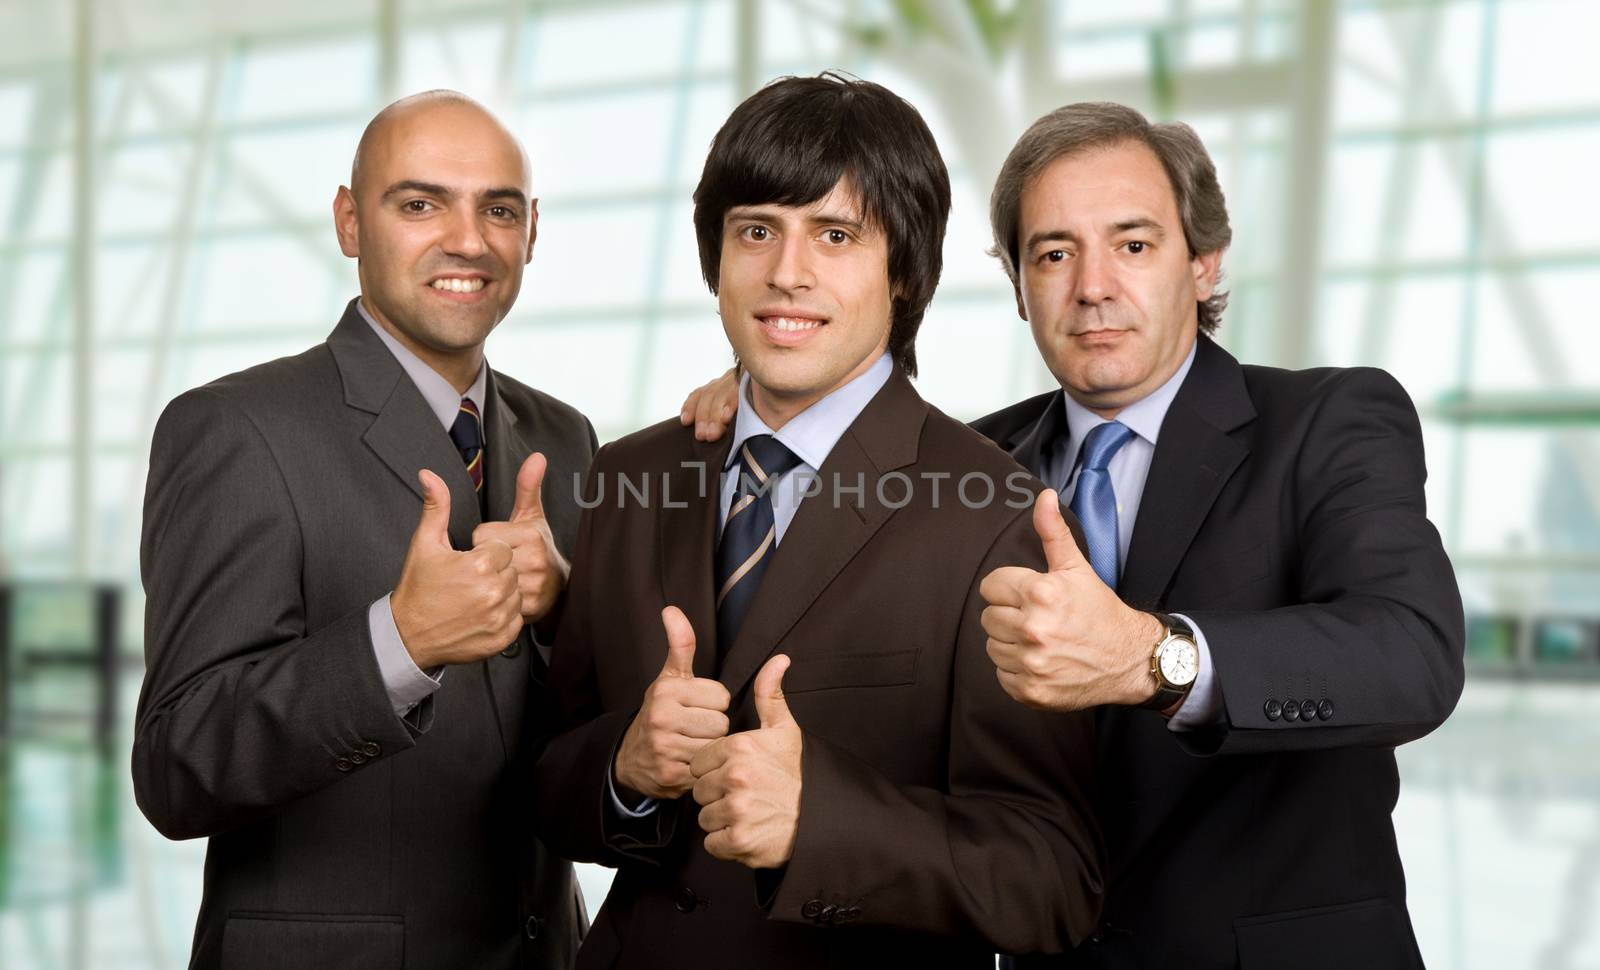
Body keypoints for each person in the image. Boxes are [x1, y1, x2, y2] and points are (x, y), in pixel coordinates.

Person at [681, 101, 1465, 968]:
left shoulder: (1325, 422)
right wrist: (769, 393)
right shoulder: (966, 467)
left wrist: (1151, 657)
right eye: (1053, 253)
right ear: (1019, 288)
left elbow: (1410, 654)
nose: (1092, 286)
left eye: (1133, 245)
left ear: (1202, 264)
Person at [530, 73, 1102, 970]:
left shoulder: (995, 514)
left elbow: (1049, 878)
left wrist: (819, 823)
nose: (786, 272)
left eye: (836, 235)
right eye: (756, 230)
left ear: (905, 272)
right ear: (716, 255)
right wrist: (624, 769)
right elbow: (543, 780)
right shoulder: (632, 474)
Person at [133, 90, 593, 969]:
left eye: (497, 209)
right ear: (350, 222)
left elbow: (573, 739)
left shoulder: (564, 437)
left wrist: (567, 611)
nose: (467, 240)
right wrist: (400, 643)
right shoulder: (236, 428)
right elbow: (176, 766)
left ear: (530, 232)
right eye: (420, 204)